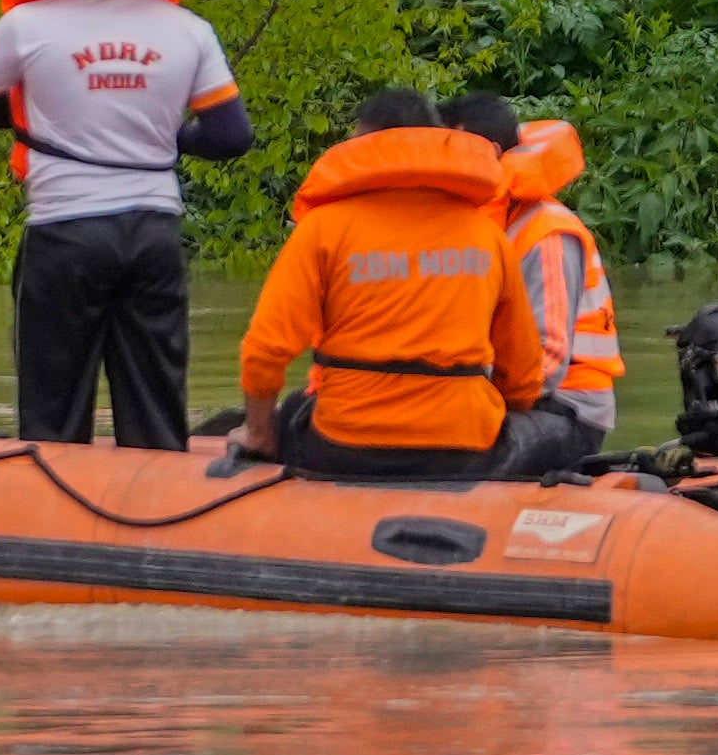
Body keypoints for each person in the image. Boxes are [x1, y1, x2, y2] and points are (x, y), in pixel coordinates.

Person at [0, 0, 253, 450]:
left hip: (64, 231)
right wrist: (167, 136)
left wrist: (38, 118)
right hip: (154, 230)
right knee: (156, 411)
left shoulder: (27, 24)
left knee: (54, 415)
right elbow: (232, 135)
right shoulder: (189, 29)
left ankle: (54, 500)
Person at [219, 87, 542, 485]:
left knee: (291, 413)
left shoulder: (323, 229)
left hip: (344, 446)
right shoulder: (487, 235)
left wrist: (259, 433)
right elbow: (523, 373)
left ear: (361, 144)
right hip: (465, 448)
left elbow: (265, 350)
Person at [446, 93, 618, 480]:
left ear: (489, 152)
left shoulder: (547, 233)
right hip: (498, 398)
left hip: (568, 409)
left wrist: (466, 401)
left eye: (450, 150)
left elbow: (548, 361)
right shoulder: (471, 228)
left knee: (456, 453)